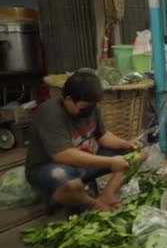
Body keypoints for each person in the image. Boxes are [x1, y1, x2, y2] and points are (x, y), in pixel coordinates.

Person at [25, 71, 147, 211]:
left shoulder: (91, 108)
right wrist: (110, 162)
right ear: (69, 99)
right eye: (84, 107)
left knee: (139, 152)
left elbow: (103, 136)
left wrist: (126, 144)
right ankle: (94, 205)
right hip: (52, 167)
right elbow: (62, 155)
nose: (89, 111)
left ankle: (107, 195)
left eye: (92, 106)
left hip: (84, 163)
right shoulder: (49, 112)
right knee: (72, 185)